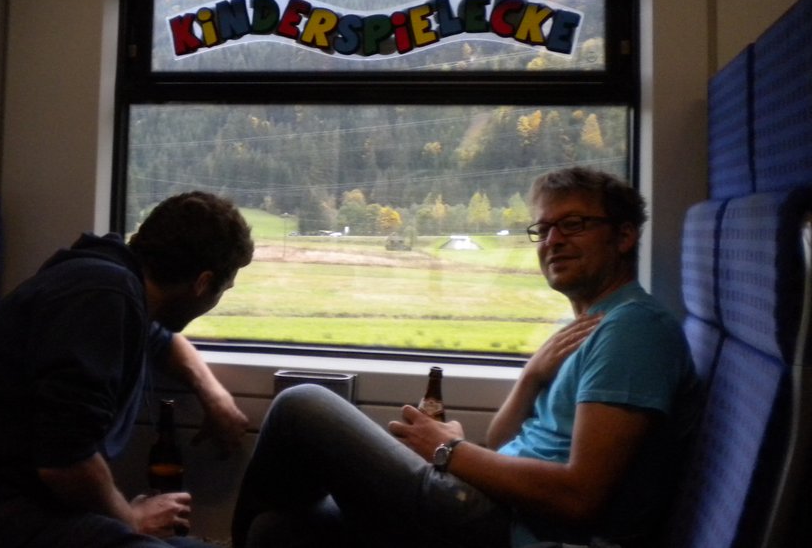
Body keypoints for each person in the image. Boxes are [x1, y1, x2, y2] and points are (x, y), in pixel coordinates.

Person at [231, 167, 700, 548]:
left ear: (623, 236)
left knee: (302, 405)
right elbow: (501, 442)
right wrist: (532, 376)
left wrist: (448, 451)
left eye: (573, 224)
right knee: (278, 532)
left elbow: (580, 497)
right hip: (496, 504)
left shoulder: (633, 330)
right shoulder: (583, 326)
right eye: (543, 228)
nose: (553, 240)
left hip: (519, 530)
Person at [0, 191, 254, 548]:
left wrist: (213, 394)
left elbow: (160, 340)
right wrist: (132, 521)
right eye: (223, 288)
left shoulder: (111, 280)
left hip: (14, 505)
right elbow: (65, 461)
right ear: (202, 283)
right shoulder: (103, 295)